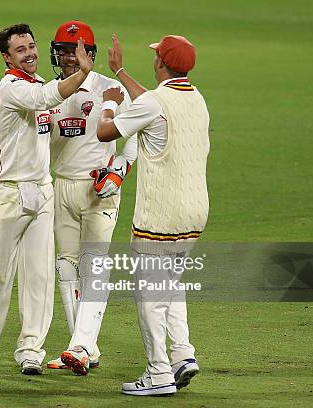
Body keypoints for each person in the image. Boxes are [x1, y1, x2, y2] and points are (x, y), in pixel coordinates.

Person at [0, 23, 93, 375]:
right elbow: (45, 99)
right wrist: (82, 72)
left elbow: (27, 136)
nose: (31, 53)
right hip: (7, 192)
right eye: (21, 50)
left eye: (32, 46)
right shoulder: (11, 87)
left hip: (42, 190)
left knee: (39, 276)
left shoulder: (35, 85)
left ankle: (31, 349)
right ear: (6, 57)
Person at [97, 34, 209, 396]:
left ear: (160, 62)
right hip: (195, 213)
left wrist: (109, 103)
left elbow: (105, 133)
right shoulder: (195, 98)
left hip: (161, 215)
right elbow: (153, 102)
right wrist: (121, 71)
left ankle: (159, 372)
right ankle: (182, 354)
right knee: (172, 284)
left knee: (149, 294)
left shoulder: (153, 103)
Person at [43, 20, 137, 375]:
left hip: (98, 187)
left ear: (91, 54)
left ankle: (80, 345)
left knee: (94, 264)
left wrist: (121, 170)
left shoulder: (110, 89)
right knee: (67, 265)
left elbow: (137, 133)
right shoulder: (49, 93)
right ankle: (82, 348)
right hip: (61, 185)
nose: (68, 57)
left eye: (76, 50)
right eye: (63, 50)